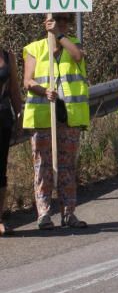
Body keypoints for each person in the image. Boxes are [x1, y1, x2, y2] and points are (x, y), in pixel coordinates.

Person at [21, 13, 89, 230]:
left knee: (67, 166)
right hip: (43, 116)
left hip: (68, 116)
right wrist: (43, 91)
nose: (60, 24)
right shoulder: (35, 48)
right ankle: (43, 214)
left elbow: (78, 56)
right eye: (56, 21)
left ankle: (69, 213)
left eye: (64, 21)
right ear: (46, 23)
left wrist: (59, 36)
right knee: (43, 167)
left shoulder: (73, 44)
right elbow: (27, 81)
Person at [0, 45, 24, 237]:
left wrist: (19, 115)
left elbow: (14, 88)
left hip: (3, 119)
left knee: (1, 171)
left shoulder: (8, 56)